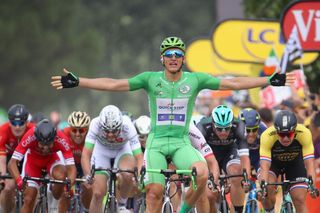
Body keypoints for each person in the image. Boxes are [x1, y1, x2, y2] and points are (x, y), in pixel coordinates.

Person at [51, 36, 294, 213]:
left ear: (183, 58)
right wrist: (79, 81)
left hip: (180, 141)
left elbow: (234, 83)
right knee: (154, 194)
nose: (174, 58)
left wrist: (269, 79)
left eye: (178, 54)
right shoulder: (150, 79)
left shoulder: (195, 79)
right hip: (156, 142)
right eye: (169, 54)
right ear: (162, 58)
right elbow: (115, 84)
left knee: (201, 173)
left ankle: (183, 211)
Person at [81, 105, 143, 213]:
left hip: (122, 149)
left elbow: (139, 157)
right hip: (102, 151)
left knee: (128, 174)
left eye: (114, 131)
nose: (110, 135)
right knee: (97, 194)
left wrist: (138, 176)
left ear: (120, 126)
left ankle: (122, 204)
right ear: (101, 126)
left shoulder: (128, 126)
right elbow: (85, 154)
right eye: (106, 131)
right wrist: (88, 175)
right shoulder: (95, 124)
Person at [8, 119, 76, 213]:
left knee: (61, 176)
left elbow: (71, 168)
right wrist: (19, 181)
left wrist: (67, 186)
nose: (45, 148)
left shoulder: (62, 139)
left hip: (51, 160)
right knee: (29, 198)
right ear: (36, 138)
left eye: (49, 144)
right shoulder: (30, 136)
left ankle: (54, 188)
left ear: (54, 138)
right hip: (33, 162)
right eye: (41, 144)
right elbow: (12, 163)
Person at [258, 110, 317, 213]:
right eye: (281, 134)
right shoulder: (267, 136)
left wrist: (312, 186)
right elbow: (265, 165)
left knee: (299, 199)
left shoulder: (304, 133)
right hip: (274, 164)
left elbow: (309, 163)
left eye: (289, 134)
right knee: (267, 189)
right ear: (276, 131)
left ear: (294, 130)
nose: (285, 138)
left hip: (295, 164)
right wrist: (263, 187)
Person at [196, 105, 250, 213]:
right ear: (212, 124)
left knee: (236, 174)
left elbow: (244, 156)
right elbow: (197, 156)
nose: (223, 132)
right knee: (210, 192)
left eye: (227, 128)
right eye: (219, 128)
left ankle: (238, 210)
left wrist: (246, 178)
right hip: (208, 155)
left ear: (232, 124)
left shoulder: (239, 125)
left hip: (229, 152)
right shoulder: (202, 127)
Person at [0, 104, 35, 213]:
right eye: (14, 123)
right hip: (9, 159)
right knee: (8, 188)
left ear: (27, 122)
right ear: (9, 122)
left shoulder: (33, 130)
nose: (17, 127)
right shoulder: (3, 130)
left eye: (21, 123)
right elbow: (2, 158)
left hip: (27, 158)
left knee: (32, 188)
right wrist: (3, 178)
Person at [59, 111, 92, 212]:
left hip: (85, 165)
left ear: (87, 130)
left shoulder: (91, 136)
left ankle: (86, 208)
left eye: (81, 130)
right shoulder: (63, 134)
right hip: (68, 165)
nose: (77, 134)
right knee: (64, 190)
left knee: (88, 187)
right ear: (69, 129)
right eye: (74, 130)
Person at [239, 108, 267, 172]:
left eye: (254, 130)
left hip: (257, 156)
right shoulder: (235, 130)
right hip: (241, 156)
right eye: (248, 130)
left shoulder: (263, 130)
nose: (251, 134)